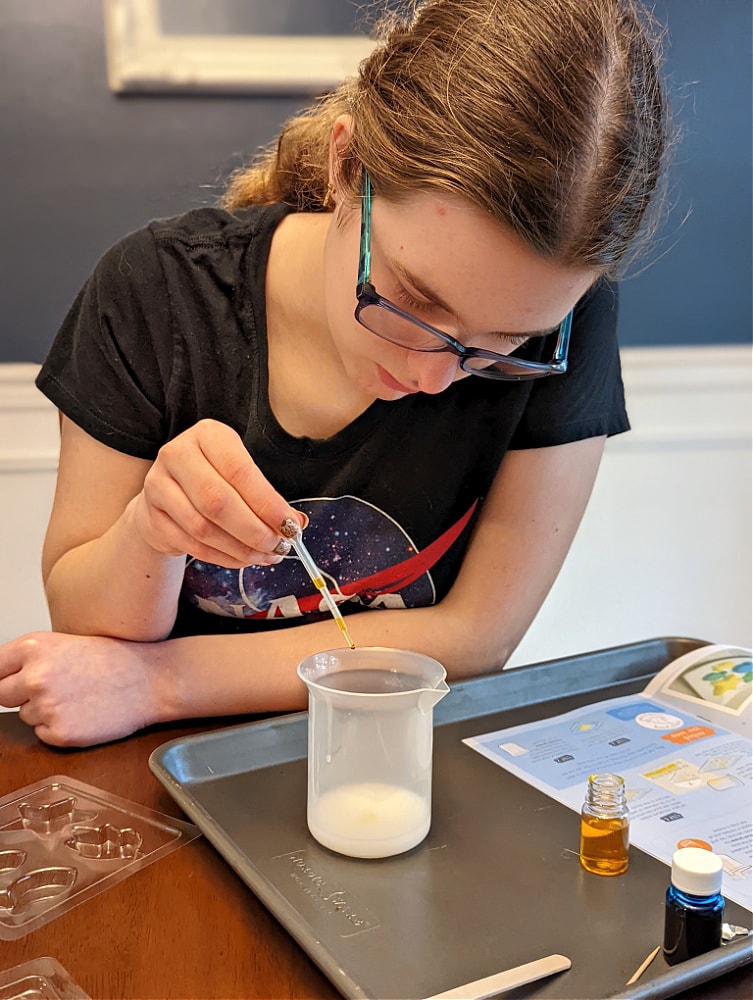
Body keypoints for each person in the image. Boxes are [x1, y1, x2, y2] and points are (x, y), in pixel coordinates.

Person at [0, 0, 668, 747]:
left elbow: (477, 637)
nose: (431, 376)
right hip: (170, 769)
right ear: (346, 165)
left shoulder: (575, 327)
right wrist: (149, 534)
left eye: (502, 343)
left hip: (397, 756)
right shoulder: (154, 292)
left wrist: (161, 682)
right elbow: (86, 626)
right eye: (411, 300)